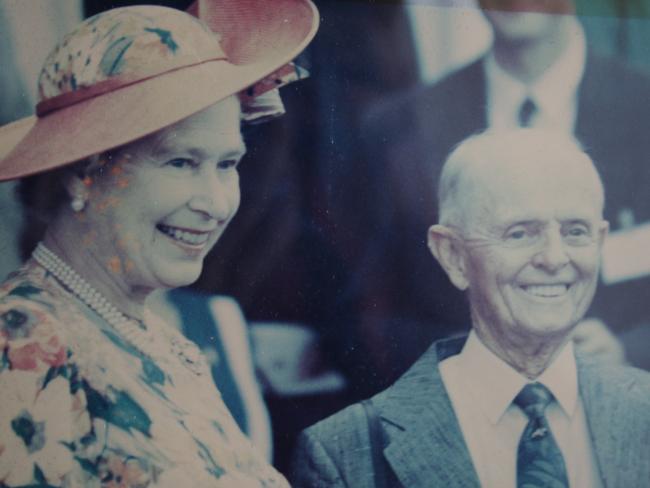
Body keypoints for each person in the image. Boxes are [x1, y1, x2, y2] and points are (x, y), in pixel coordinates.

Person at [0, 0, 318, 485]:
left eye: (227, 164)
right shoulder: (20, 345)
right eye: (181, 163)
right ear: (83, 173)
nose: (214, 203)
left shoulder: (158, 339)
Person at [291, 129, 650, 488]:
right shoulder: (347, 454)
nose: (555, 258)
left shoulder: (642, 412)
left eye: (575, 231)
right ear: (453, 255)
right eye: (520, 233)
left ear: (599, 242)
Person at [352, 0, 650, 390]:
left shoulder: (642, 110)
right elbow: (363, 317)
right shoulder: (399, 126)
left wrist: (629, 351)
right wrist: (477, 360)